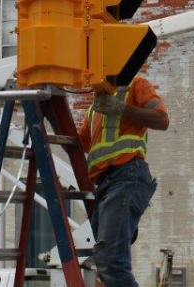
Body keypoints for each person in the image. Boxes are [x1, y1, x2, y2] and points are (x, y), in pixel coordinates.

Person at [78, 75, 169, 286]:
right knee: (105, 258)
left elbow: (162, 120)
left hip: (128, 175)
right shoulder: (95, 108)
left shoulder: (136, 84)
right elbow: (77, 144)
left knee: (111, 260)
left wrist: (120, 108)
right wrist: (51, 116)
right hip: (106, 184)